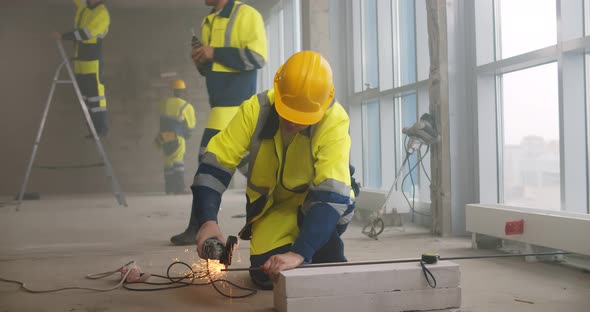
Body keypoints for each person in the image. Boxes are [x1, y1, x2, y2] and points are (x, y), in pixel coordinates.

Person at [191, 51, 356, 289]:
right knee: (265, 274)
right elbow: (214, 166)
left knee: (320, 267)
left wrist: (299, 253)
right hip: (273, 209)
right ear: (277, 91)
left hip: (318, 206)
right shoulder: (255, 110)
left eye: (302, 118)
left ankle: (322, 245)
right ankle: (311, 247)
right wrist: (207, 221)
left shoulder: (334, 121)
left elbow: (331, 194)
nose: (292, 123)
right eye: (287, 112)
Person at [171, 0, 267, 245]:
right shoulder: (207, 22)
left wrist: (214, 52)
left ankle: (200, 225)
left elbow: (257, 57)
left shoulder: (247, 15)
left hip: (237, 104)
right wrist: (201, 60)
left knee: (208, 160)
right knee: (253, 166)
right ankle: (269, 216)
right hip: (220, 104)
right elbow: (211, 70)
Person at [54, 0, 110, 137]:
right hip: (81, 61)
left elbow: (86, 34)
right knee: (85, 99)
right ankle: (92, 130)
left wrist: (63, 36)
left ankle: (100, 130)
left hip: (92, 63)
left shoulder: (102, 13)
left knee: (96, 99)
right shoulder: (85, 7)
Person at [154, 80, 196, 194]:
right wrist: (186, 136)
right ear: (183, 91)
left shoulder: (164, 103)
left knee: (168, 162)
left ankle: (169, 189)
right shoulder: (186, 106)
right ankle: (179, 189)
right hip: (177, 136)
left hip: (163, 137)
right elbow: (190, 127)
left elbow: (161, 120)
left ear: (173, 91)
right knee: (178, 162)